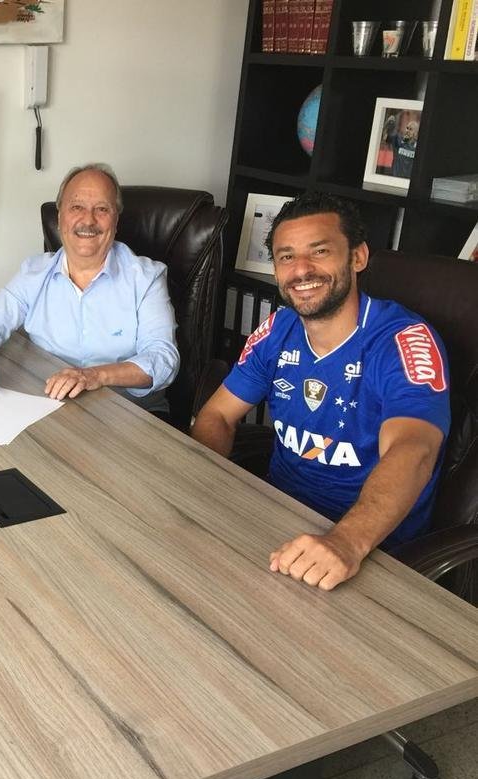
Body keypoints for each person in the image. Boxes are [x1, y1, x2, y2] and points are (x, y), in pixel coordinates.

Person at [191, 192, 450, 591]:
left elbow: (414, 452)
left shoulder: (404, 340)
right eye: (286, 257)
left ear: (358, 257)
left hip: (372, 549)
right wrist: (201, 484)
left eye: (320, 251)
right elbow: (217, 416)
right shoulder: (278, 330)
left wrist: (347, 541)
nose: (301, 270)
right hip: (277, 519)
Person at [0, 163, 179, 411]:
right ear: (59, 217)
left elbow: (162, 359)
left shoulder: (147, 278)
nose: (88, 220)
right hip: (51, 408)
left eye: (102, 209)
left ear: (116, 220)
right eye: (76, 207)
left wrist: (94, 376)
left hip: (131, 414)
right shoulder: (34, 273)